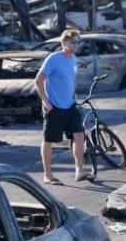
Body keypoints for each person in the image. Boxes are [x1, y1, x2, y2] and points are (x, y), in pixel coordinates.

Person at [35, 30, 95, 185]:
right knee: (49, 140)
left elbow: (69, 81)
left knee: (79, 135)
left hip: (70, 105)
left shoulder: (73, 59)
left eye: (77, 42)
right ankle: (47, 175)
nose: (76, 45)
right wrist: (47, 103)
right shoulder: (53, 59)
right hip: (54, 106)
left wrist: (74, 97)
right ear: (64, 43)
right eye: (73, 42)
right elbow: (38, 81)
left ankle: (79, 171)